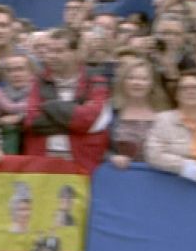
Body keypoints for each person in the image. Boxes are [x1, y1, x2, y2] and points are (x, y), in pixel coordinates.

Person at [22, 29, 111, 172]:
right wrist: (76, 121)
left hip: (82, 163)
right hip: (42, 164)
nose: (51, 56)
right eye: (49, 51)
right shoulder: (38, 81)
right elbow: (32, 121)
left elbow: (89, 119)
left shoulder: (95, 81)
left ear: (76, 53)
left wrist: (49, 106)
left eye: (59, 51)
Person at [145, 70, 196, 186]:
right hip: (171, 185)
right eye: (184, 88)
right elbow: (153, 155)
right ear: (176, 95)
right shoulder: (162, 120)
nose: (191, 91)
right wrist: (191, 166)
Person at [109, 59, 170, 168]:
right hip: (121, 174)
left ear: (152, 83)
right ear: (123, 82)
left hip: (158, 175)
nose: (137, 83)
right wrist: (112, 157)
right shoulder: (111, 112)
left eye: (143, 79)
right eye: (131, 78)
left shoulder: (164, 113)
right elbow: (99, 148)